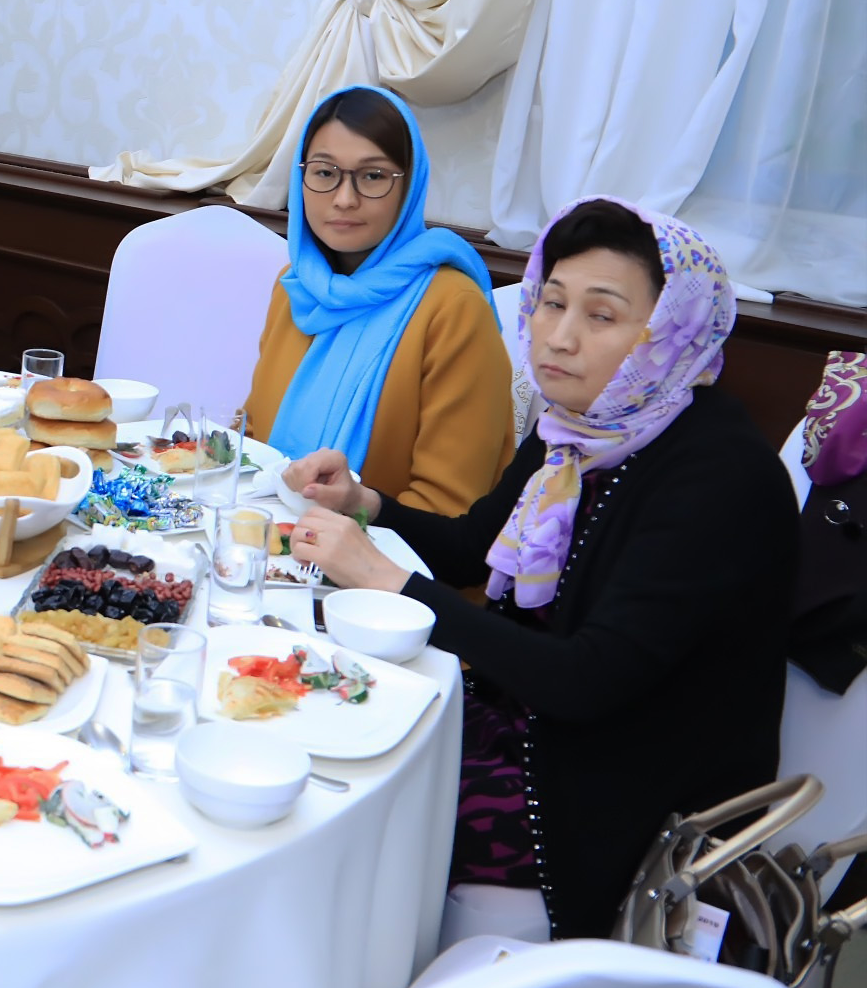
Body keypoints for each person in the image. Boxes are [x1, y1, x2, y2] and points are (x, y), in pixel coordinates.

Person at [288, 199, 795, 939]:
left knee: (350, 812)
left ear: (671, 331)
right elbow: (472, 546)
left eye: (602, 315)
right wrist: (367, 504)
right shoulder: (579, 427)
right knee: (316, 731)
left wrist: (388, 580)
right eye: (552, 302)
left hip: (614, 796)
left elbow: (587, 680)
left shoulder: (720, 478)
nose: (558, 336)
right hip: (529, 724)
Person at [244, 85, 514, 515]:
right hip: (266, 536)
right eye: (324, 172)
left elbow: (449, 508)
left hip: (386, 552)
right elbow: (255, 441)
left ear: (409, 186)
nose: (344, 199)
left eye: (373, 176)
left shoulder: (454, 308)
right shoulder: (295, 287)